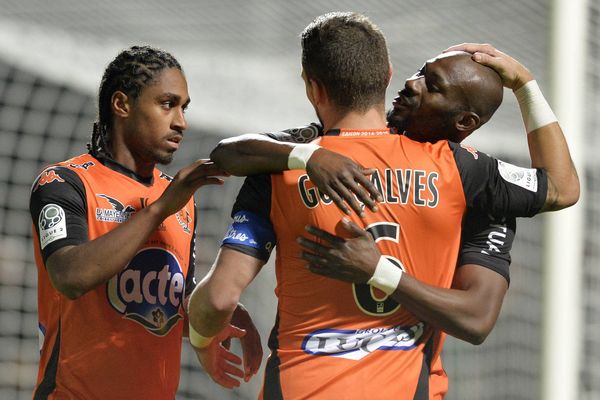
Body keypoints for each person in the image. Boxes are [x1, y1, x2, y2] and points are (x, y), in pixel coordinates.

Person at [189, 13, 578, 399]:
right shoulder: (467, 174)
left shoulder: (278, 165)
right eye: (419, 72)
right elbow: (561, 188)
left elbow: (221, 296)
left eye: (432, 83)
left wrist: (203, 339)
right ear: (388, 73)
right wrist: (525, 85)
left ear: (313, 88)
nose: (414, 82)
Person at [29, 45, 261, 399]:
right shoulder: (65, 182)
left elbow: (164, 303)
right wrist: (159, 209)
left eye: (184, 108)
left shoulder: (179, 199)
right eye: (168, 104)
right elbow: (70, 277)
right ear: (122, 104)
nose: (181, 121)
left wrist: (212, 318)